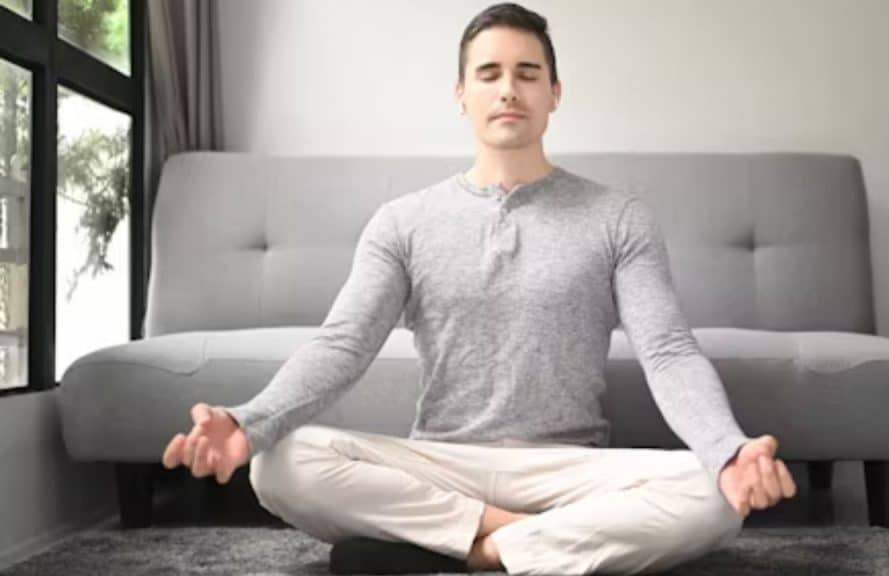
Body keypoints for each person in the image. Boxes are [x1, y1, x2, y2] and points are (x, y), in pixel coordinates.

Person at [162, 3, 797, 574]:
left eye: (527, 73)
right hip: (443, 463)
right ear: (461, 94)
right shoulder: (403, 222)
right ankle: (527, 545)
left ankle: (470, 553)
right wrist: (248, 422)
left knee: (715, 493)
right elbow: (343, 345)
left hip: (569, 469)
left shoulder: (618, 218)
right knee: (280, 463)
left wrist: (728, 449)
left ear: (554, 93)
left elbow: (668, 351)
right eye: (489, 73)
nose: (509, 89)